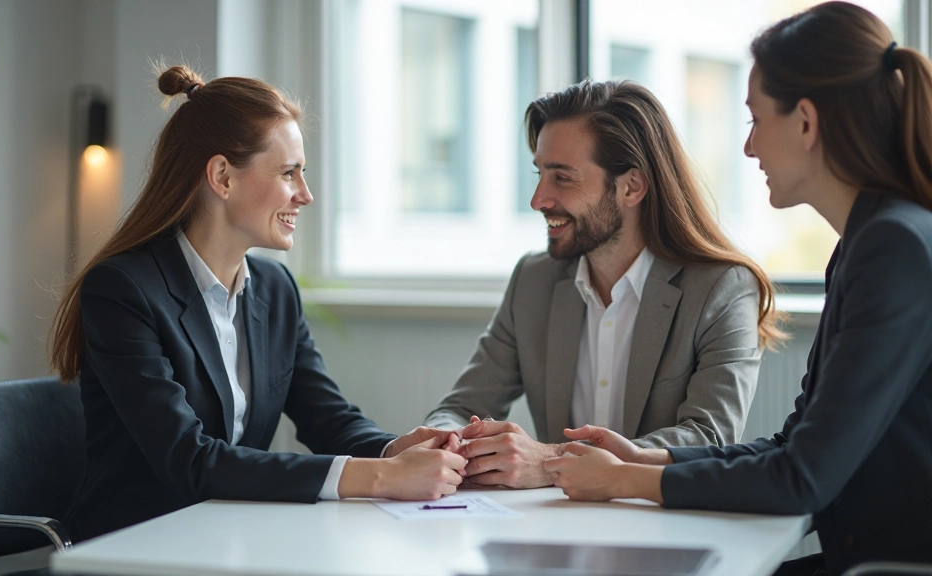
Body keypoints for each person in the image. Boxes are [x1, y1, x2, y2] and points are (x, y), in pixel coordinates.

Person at [543, 3, 932, 575]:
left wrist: (626, 481)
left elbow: (802, 478)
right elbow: (796, 442)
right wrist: (649, 457)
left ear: (805, 121)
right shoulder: (866, 241)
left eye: (755, 120)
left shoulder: (892, 248)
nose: (749, 148)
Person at [49, 65, 465, 542]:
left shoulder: (274, 289)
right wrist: (379, 477)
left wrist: (396, 449)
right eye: (289, 173)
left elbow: (327, 418)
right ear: (223, 176)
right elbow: (190, 458)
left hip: (232, 538)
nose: (305, 195)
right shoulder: (123, 290)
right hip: (138, 546)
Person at [424, 79, 783, 489]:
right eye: (540, 174)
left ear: (632, 186)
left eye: (562, 178)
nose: (538, 199)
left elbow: (708, 438)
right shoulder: (533, 279)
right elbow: (461, 405)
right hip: (560, 524)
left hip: (665, 525)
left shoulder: (723, 288)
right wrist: (447, 441)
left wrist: (549, 461)